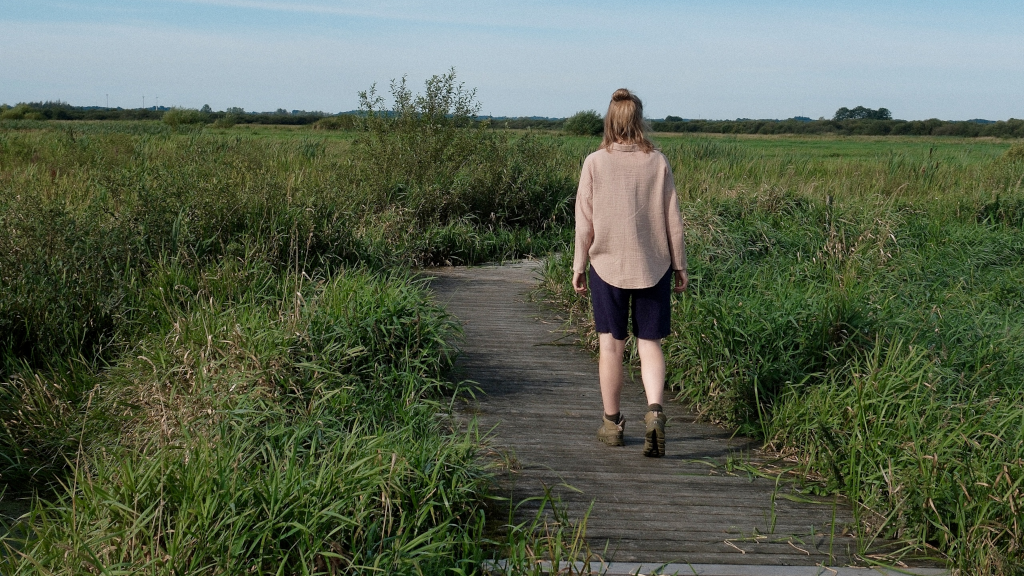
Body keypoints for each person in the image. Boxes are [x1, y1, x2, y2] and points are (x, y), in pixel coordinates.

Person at [572, 88, 688, 458]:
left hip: (606, 266)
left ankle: (611, 424)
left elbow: (583, 224)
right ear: (638, 121)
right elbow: (674, 219)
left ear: (610, 120)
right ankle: (654, 413)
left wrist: (578, 266)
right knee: (649, 343)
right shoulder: (657, 161)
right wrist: (680, 265)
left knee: (611, 345)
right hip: (654, 266)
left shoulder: (594, 162)